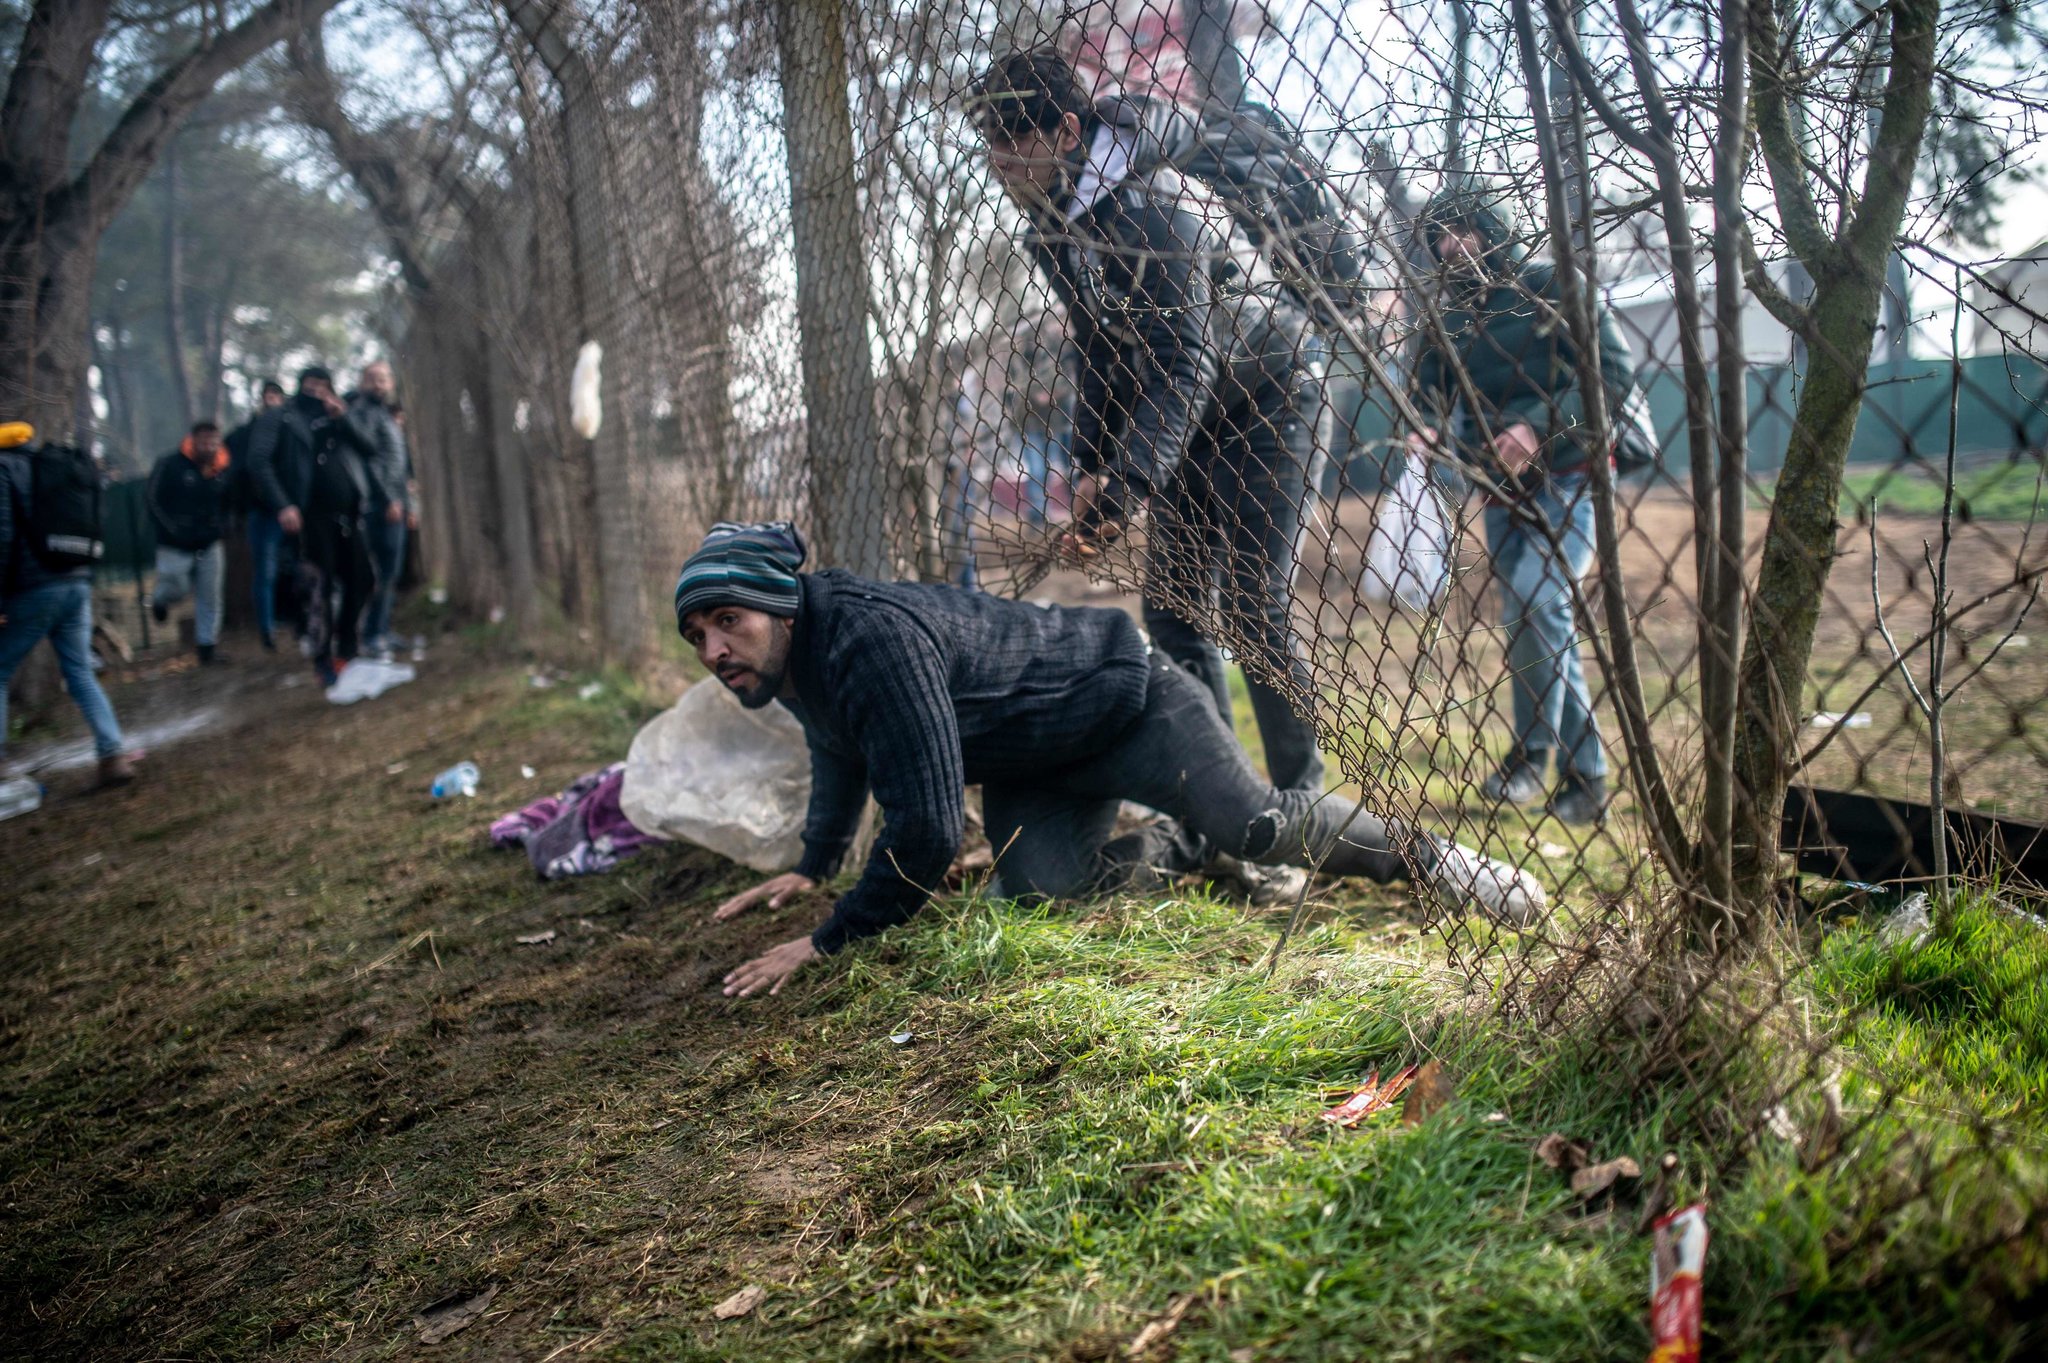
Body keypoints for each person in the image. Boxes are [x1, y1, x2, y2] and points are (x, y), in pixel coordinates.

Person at [672, 522, 1545, 999]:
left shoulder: (867, 640)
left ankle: (1431, 860)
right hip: (1034, 760)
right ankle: (1189, 847)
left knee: (1257, 819)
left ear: (779, 605)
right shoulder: (790, 656)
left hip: (1128, 699)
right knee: (1047, 894)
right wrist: (815, 864)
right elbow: (837, 749)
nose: (715, 648)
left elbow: (930, 829)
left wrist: (829, 941)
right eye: (699, 635)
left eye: (729, 622)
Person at [968, 50, 1329, 798]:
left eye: (1012, 141)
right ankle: (1231, 801)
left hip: (1269, 392)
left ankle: (1306, 802)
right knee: (1174, 614)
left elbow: (1183, 359)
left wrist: (1128, 480)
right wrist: (1091, 458)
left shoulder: (1150, 205)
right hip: (1187, 413)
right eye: (990, 145)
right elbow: (1098, 343)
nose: (998, 162)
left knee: (1253, 609)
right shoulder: (1054, 221)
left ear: (1066, 130)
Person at [1408, 188, 1636, 824]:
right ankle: (1536, 757)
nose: (1452, 247)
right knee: (1531, 621)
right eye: (1440, 238)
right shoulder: (1447, 316)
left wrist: (1538, 426)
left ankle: (1577, 771)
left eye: (1463, 230)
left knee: (1540, 603)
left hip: (1571, 475)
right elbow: (1426, 386)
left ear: (1493, 227)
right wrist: (1423, 424)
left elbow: (1611, 380)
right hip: (1498, 489)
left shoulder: (1555, 286)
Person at [0, 425, 134, 786]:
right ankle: (113, 755)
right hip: (76, 581)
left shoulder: (3, 471)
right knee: (79, 672)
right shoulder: (47, 468)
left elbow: (3, 536)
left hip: (35, 588)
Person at [246, 367, 390, 687]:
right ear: (299, 387)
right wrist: (283, 504)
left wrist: (343, 419)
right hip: (309, 517)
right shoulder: (282, 418)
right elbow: (258, 460)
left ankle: (348, 649)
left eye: (323, 386)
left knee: (363, 580)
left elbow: (369, 449)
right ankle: (323, 658)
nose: (317, 392)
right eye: (311, 386)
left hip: (348, 514)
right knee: (317, 589)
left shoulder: (338, 415)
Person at [146, 420, 233, 664]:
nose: (208, 446)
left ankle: (207, 647)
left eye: (213, 441)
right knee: (178, 587)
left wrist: (222, 527)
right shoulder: (170, 465)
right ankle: (160, 600)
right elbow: (152, 500)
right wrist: (172, 530)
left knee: (211, 595)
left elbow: (229, 503)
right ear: (193, 440)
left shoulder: (222, 470)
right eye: (204, 441)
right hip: (175, 543)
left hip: (210, 543)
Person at [347, 362, 411, 658]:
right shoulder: (364, 413)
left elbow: (395, 463)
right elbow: (371, 461)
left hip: (395, 501)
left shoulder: (384, 414)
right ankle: (371, 634)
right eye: (372, 379)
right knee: (380, 572)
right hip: (379, 505)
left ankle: (381, 629)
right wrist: (388, 499)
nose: (378, 385)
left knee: (390, 571)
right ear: (363, 382)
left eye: (383, 379)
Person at [226, 380, 288, 651]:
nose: (271, 400)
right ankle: (267, 628)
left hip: (289, 509)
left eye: (276, 395)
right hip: (261, 512)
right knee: (266, 570)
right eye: (267, 396)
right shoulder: (245, 434)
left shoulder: (290, 429)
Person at [1004, 317, 1073, 525]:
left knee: (1053, 467)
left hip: (1052, 421)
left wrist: (1052, 394)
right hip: (1028, 423)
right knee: (1037, 469)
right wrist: (1033, 395)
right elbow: (1010, 390)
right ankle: (1038, 513)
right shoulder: (1017, 360)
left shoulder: (1055, 355)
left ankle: (1065, 509)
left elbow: (1067, 383)